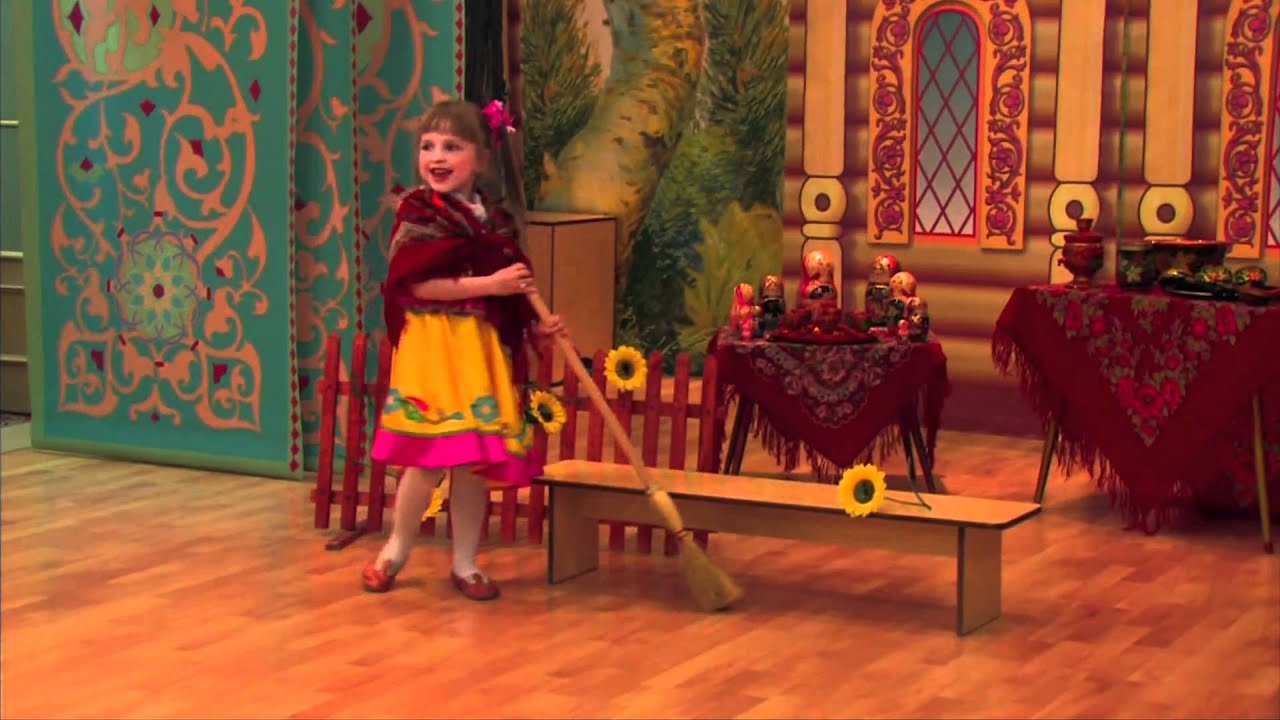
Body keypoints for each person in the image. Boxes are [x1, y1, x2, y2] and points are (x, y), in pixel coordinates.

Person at [362, 99, 563, 601]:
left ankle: (466, 562)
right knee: (429, 459)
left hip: (479, 350)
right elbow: (415, 286)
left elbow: (512, 295)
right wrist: (491, 284)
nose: (437, 157)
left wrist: (536, 328)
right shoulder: (418, 214)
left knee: (474, 461)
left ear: (481, 158)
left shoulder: (496, 223)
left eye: (452, 146)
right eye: (428, 146)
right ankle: (395, 550)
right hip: (434, 350)